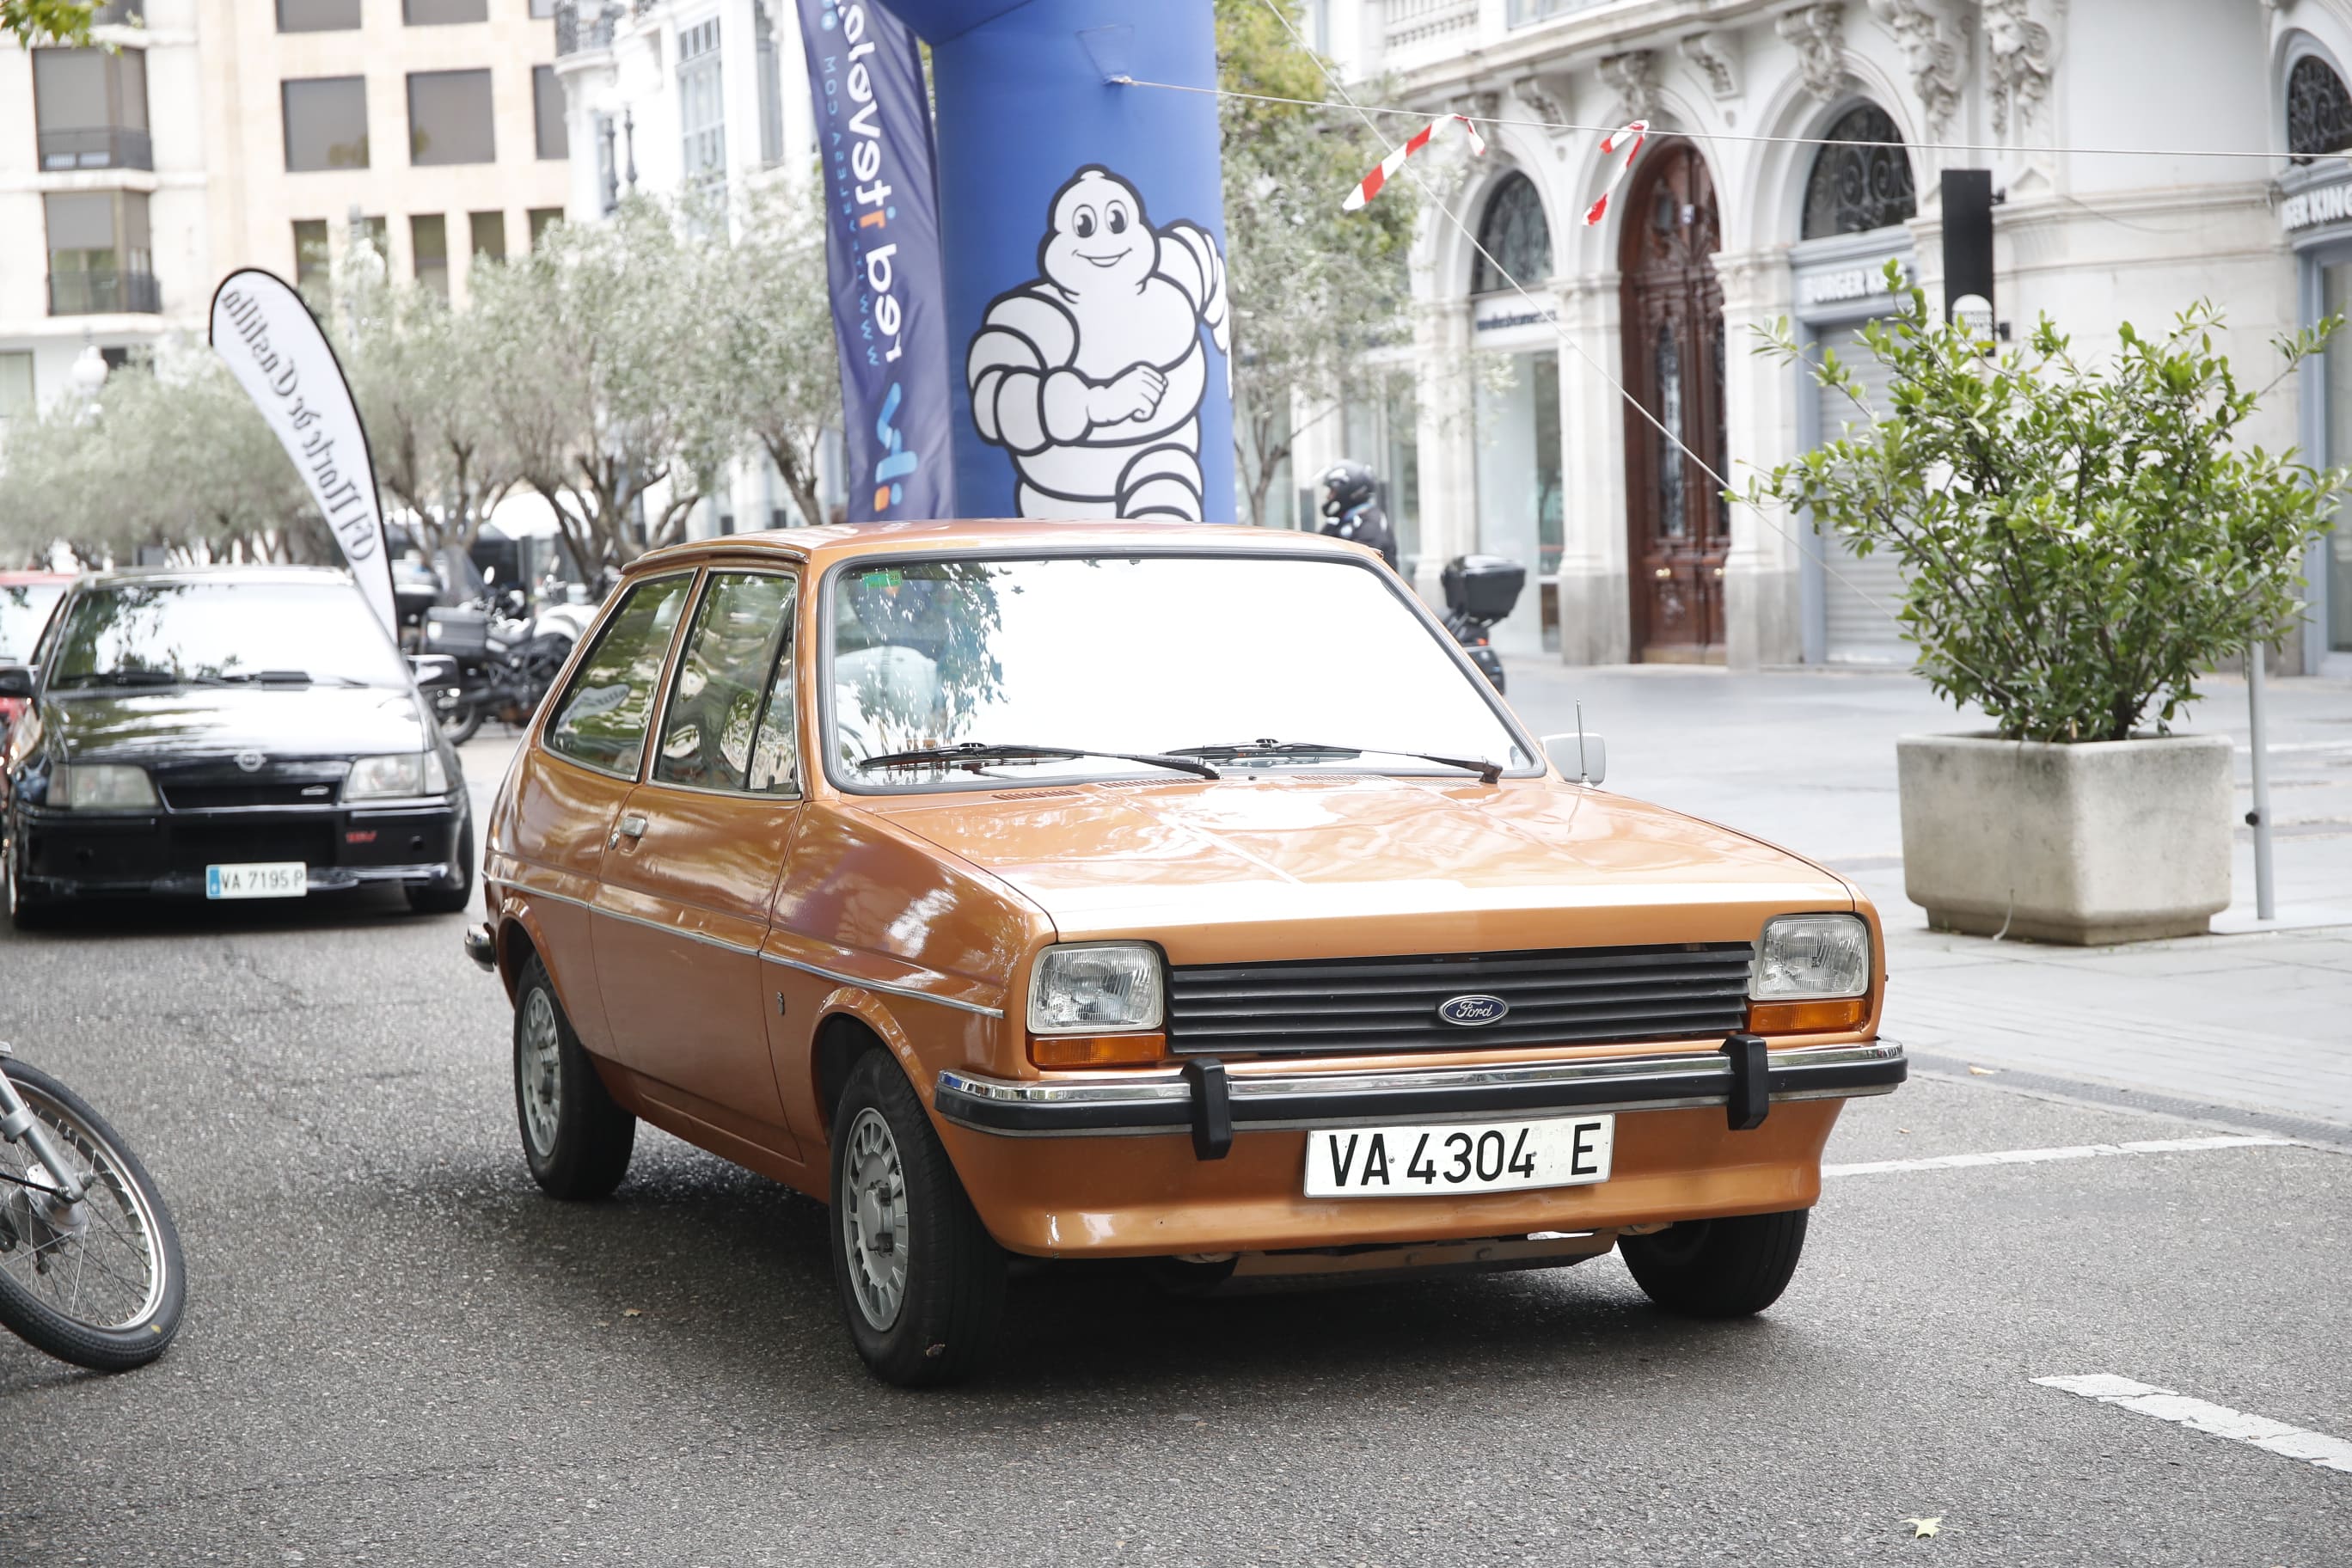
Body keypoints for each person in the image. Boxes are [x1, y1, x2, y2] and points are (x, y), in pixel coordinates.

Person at [1317, 460, 1399, 573]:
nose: (1329, 496)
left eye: (1333, 491)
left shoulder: (1371, 523)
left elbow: (1357, 563)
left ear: (1346, 491)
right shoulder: (1339, 520)